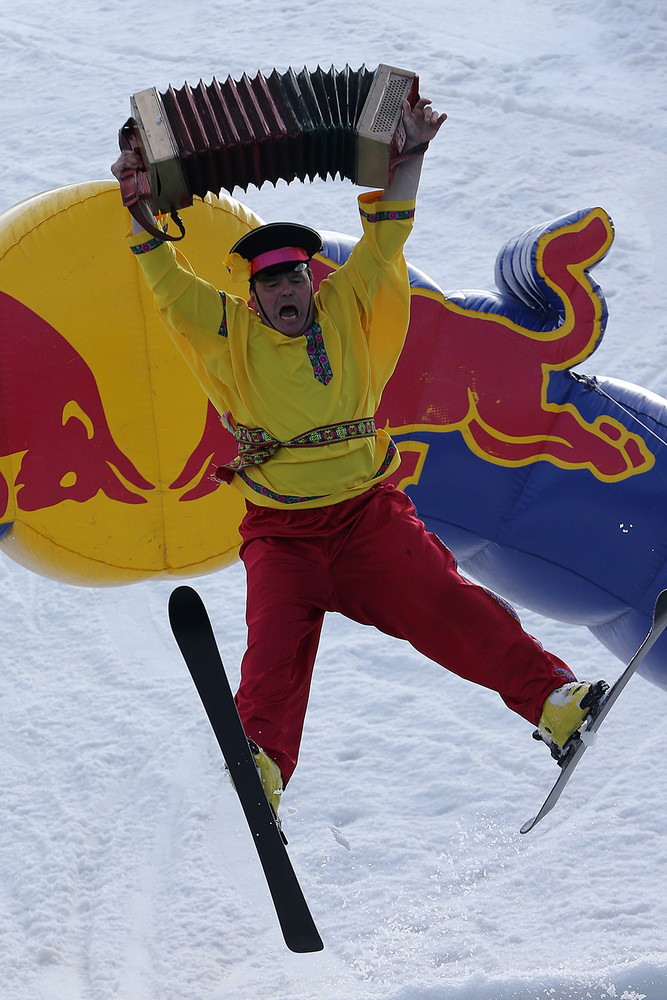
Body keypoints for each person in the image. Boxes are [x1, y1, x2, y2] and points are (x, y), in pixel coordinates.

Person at [112, 96, 604, 817]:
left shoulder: (344, 307)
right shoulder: (226, 334)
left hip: (368, 519)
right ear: (251, 296)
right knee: (273, 651)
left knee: (449, 605)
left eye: (294, 275)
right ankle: (262, 768)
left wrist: (411, 161)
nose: (285, 288)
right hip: (282, 535)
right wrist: (136, 206)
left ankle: (554, 703)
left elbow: (386, 236)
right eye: (270, 281)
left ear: (312, 279)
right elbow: (160, 270)